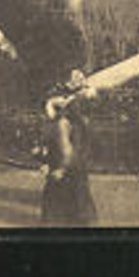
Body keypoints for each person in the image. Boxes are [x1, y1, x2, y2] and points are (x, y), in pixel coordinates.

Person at [40, 90, 98, 226]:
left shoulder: (61, 124)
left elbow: (66, 150)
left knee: (55, 209)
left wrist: (61, 169)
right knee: (79, 206)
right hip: (77, 168)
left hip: (64, 168)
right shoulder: (80, 122)